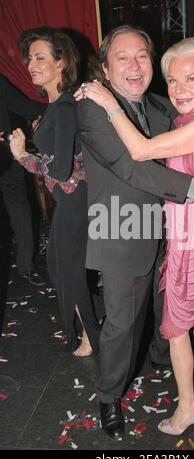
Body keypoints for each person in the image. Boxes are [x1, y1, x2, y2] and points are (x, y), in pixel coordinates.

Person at [75, 25, 194, 441]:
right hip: (122, 227)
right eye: (122, 57)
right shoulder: (92, 107)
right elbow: (132, 165)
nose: (134, 65)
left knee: (169, 311)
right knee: (123, 322)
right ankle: (108, 396)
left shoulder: (163, 107)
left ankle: (170, 364)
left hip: (173, 230)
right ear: (105, 67)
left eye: (142, 55)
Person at [8, 26, 100, 357]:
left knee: (69, 273)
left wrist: (23, 157)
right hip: (70, 201)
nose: (31, 63)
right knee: (61, 268)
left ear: (60, 63)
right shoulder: (56, 105)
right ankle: (88, 333)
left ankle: (92, 338)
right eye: (30, 57)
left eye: (40, 57)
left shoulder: (63, 107)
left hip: (75, 201)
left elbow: (61, 170)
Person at [0, 74, 46, 286]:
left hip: (6, 156)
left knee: (19, 207)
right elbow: (23, 106)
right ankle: (26, 266)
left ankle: (26, 265)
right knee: (19, 206)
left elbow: (22, 106)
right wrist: (54, 108)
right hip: (5, 155)